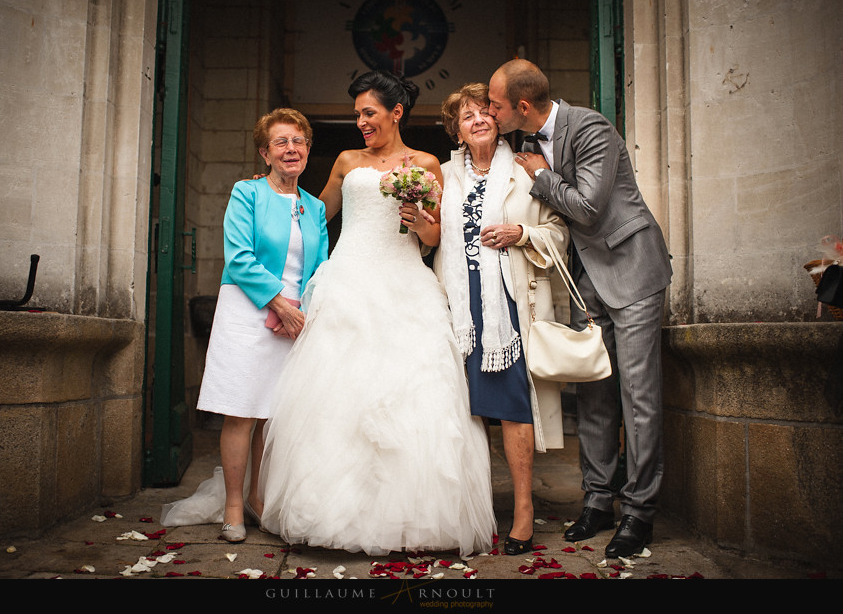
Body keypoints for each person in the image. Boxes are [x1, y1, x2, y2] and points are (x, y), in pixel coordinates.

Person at [258, 71, 496, 557]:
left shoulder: (427, 163)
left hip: (405, 281)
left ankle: (412, 516)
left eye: (368, 113)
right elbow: (312, 214)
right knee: (336, 394)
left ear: (396, 112)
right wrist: (268, 190)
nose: (361, 122)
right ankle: (328, 509)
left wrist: (419, 221)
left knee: (413, 396)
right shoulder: (347, 161)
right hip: (348, 279)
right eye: (357, 115)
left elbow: (433, 239)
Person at [487, 59, 672, 558]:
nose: (490, 110)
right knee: (592, 393)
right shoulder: (521, 142)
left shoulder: (590, 126)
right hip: (585, 280)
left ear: (522, 107)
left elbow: (588, 207)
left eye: (495, 104)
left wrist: (544, 176)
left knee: (639, 396)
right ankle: (597, 501)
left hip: (631, 270)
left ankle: (639, 511)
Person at [166, 108, 328, 542]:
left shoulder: (315, 208)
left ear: (308, 150)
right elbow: (239, 256)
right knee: (242, 412)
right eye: (281, 142)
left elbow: (321, 268)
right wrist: (279, 304)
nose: (291, 149)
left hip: (294, 320)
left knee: (274, 415)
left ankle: (259, 500)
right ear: (265, 153)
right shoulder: (247, 193)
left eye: (298, 141)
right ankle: (234, 507)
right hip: (248, 311)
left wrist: (301, 309)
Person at [433, 83, 569, 556]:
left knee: (512, 405)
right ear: (456, 130)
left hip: (507, 304)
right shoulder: (442, 174)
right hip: (456, 306)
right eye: (466, 115)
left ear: (499, 117)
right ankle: (472, 507)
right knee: (462, 409)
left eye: (485, 111)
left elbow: (559, 232)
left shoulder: (528, 169)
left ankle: (524, 510)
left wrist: (521, 232)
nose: (478, 120)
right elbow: (430, 237)